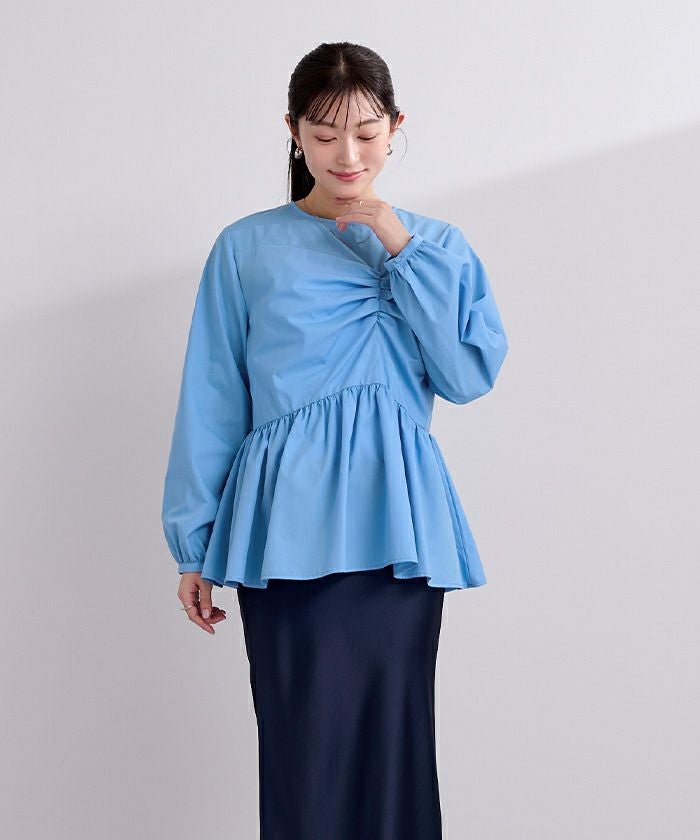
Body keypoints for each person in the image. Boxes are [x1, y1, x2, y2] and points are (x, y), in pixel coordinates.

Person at [161, 41, 509, 840]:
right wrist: (193, 544)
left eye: (365, 133)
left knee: (395, 749)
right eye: (323, 135)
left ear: (395, 127)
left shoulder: (438, 245)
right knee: (303, 752)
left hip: (399, 534)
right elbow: (213, 398)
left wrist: (397, 242)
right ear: (293, 132)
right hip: (284, 531)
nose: (346, 155)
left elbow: (466, 375)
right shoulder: (246, 247)